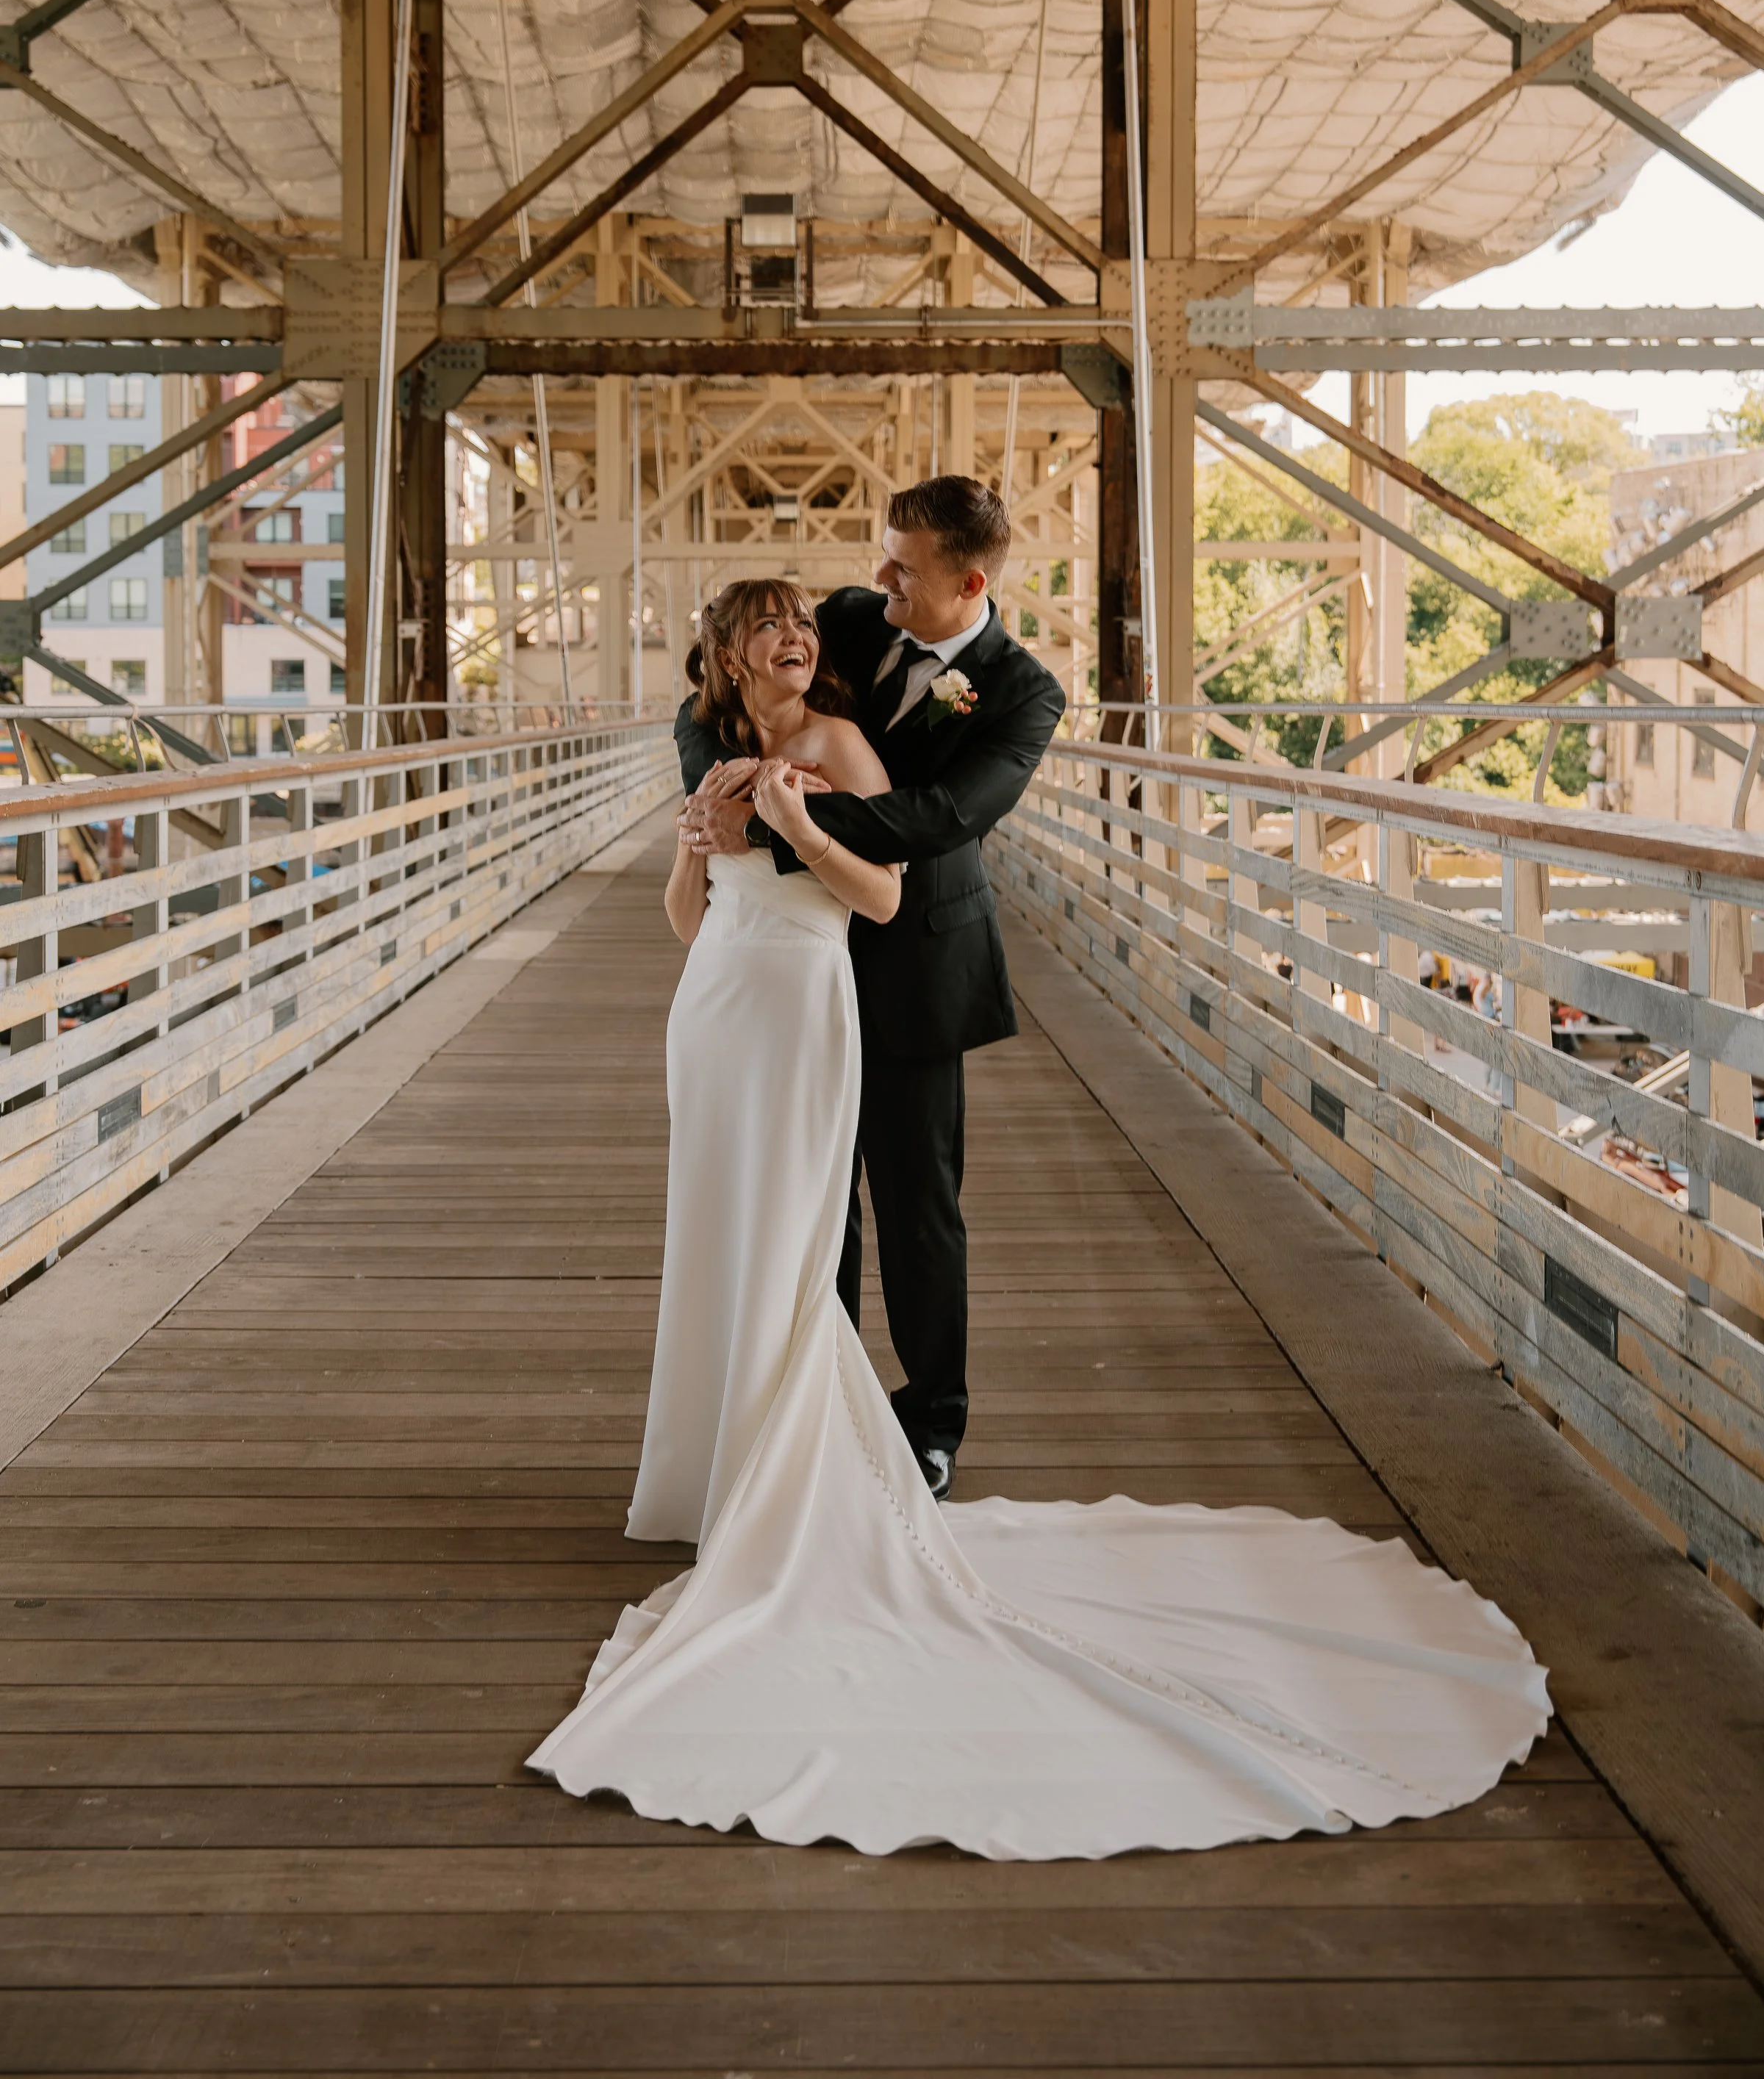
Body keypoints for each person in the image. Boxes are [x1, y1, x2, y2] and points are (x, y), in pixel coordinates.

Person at [528, 568, 1549, 1861]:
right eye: (768, 631)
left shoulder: (925, 714)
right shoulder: (773, 698)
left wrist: (791, 826)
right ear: (731, 657)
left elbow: (908, 857)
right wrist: (697, 840)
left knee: (884, 1216)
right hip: (717, 1011)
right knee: (743, 1241)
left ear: (961, 575)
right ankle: (734, 1459)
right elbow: (692, 895)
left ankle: (884, 1440)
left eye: (811, 620)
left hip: (824, 994)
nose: (817, 627)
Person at [673, 476, 1067, 1501]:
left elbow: (942, 819)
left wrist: (767, 831)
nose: (876, 578)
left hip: (914, 965)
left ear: (969, 581)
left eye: (903, 566)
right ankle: (821, 1408)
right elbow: (711, 703)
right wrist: (713, 796)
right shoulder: (847, 620)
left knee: (916, 1206)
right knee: (812, 1204)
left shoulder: (1024, 694)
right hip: (786, 974)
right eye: (881, 554)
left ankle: (932, 1425)